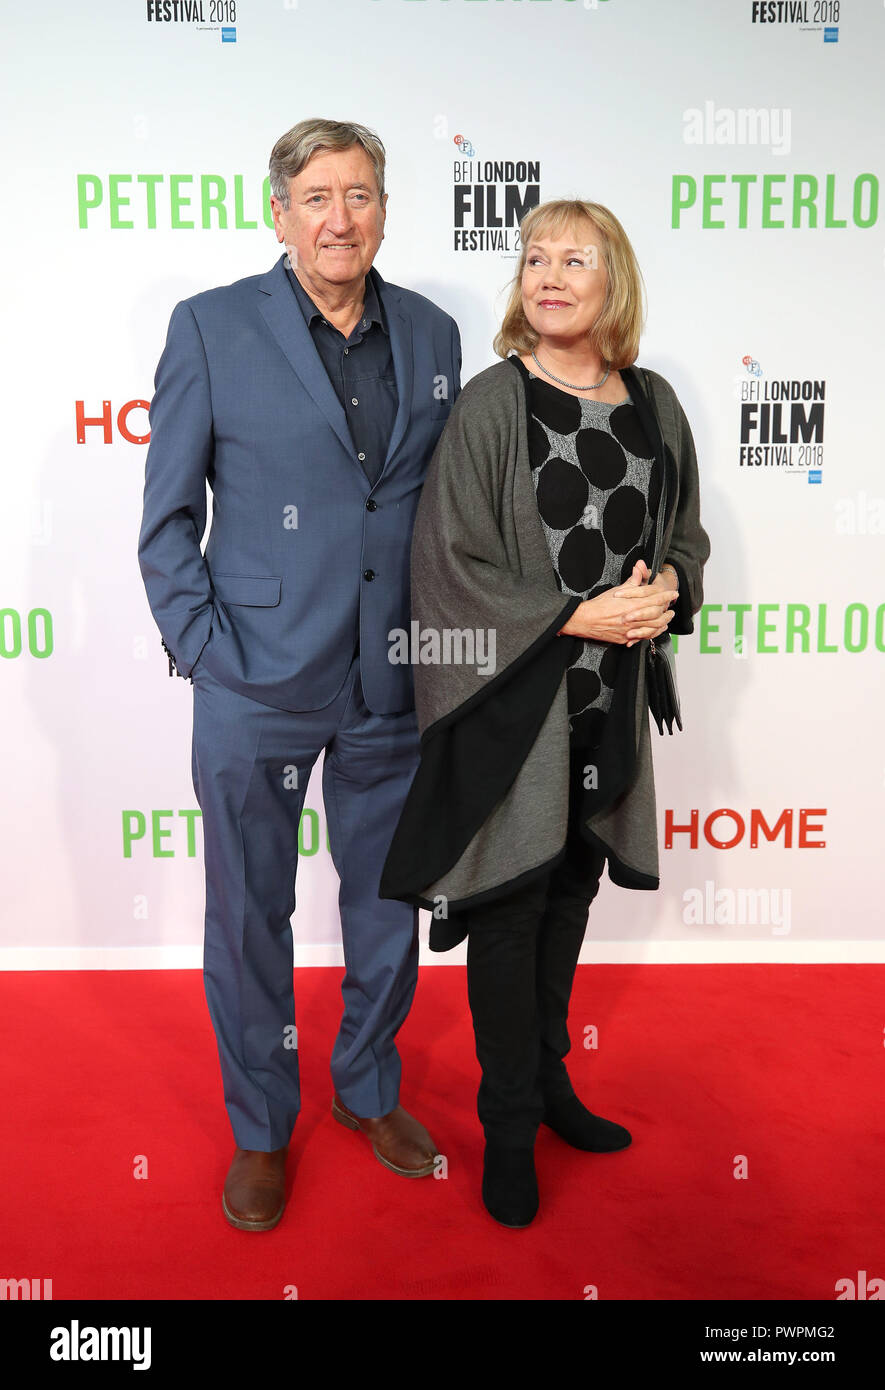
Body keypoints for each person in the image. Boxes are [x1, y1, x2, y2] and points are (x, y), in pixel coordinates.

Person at [138, 118, 461, 1231]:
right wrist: (209, 651)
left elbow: (436, 511)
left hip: (391, 679)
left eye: (360, 194)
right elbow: (167, 522)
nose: (339, 217)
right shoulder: (213, 328)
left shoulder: (434, 334)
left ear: (384, 210)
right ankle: (263, 1126)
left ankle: (370, 1090)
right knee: (248, 917)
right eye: (316, 196)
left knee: (386, 904)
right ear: (278, 212)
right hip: (255, 683)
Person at [380, 198, 710, 1228]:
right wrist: (577, 613)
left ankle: (555, 1082)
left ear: (616, 279)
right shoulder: (494, 403)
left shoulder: (653, 401)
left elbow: (685, 537)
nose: (550, 274)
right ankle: (510, 1125)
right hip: (517, 710)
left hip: (608, 710)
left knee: (571, 894)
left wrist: (667, 595)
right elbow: (445, 568)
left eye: (576, 258)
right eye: (535, 257)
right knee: (511, 912)